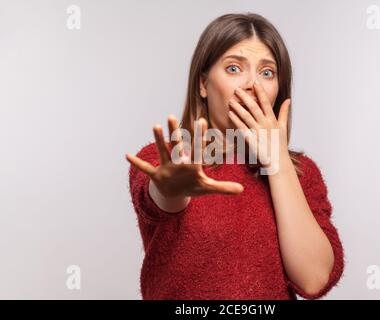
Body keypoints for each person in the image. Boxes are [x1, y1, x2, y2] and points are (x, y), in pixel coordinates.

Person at [126, 12, 345, 300]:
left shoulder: (302, 173)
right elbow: (162, 195)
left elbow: (313, 279)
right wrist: (170, 188)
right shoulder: (168, 157)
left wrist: (277, 164)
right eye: (233, 69)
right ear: (203, 84)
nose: (251, 85)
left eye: (267, 72)